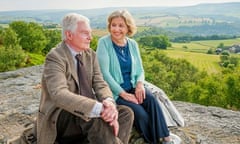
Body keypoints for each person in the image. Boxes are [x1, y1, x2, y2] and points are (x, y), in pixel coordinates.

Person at [36, 13, 134, 144]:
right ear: (69, 35)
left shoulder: (90, 55)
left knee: (126, 113)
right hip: (61, 116)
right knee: (89, 114)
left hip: (84, 116)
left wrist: (109, 103)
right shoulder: (56, 57)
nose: (90, 38)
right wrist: (98, 108)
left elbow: (100, 83)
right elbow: (58, 94)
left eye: (90, 33)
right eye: (85, 33)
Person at [96, 10, 180, 144]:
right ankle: (153, 141)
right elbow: (104, 74)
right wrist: (123, 94)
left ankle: (166, 138)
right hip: (115, 92)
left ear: (128, 27)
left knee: (152, 100)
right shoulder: (104, 43)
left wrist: (140, 84)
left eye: (121, 26)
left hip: (133, 86)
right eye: (113, 25)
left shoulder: (133, 44)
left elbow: (140, 69)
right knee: (140, 113)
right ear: (109, 26)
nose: (116, 29)